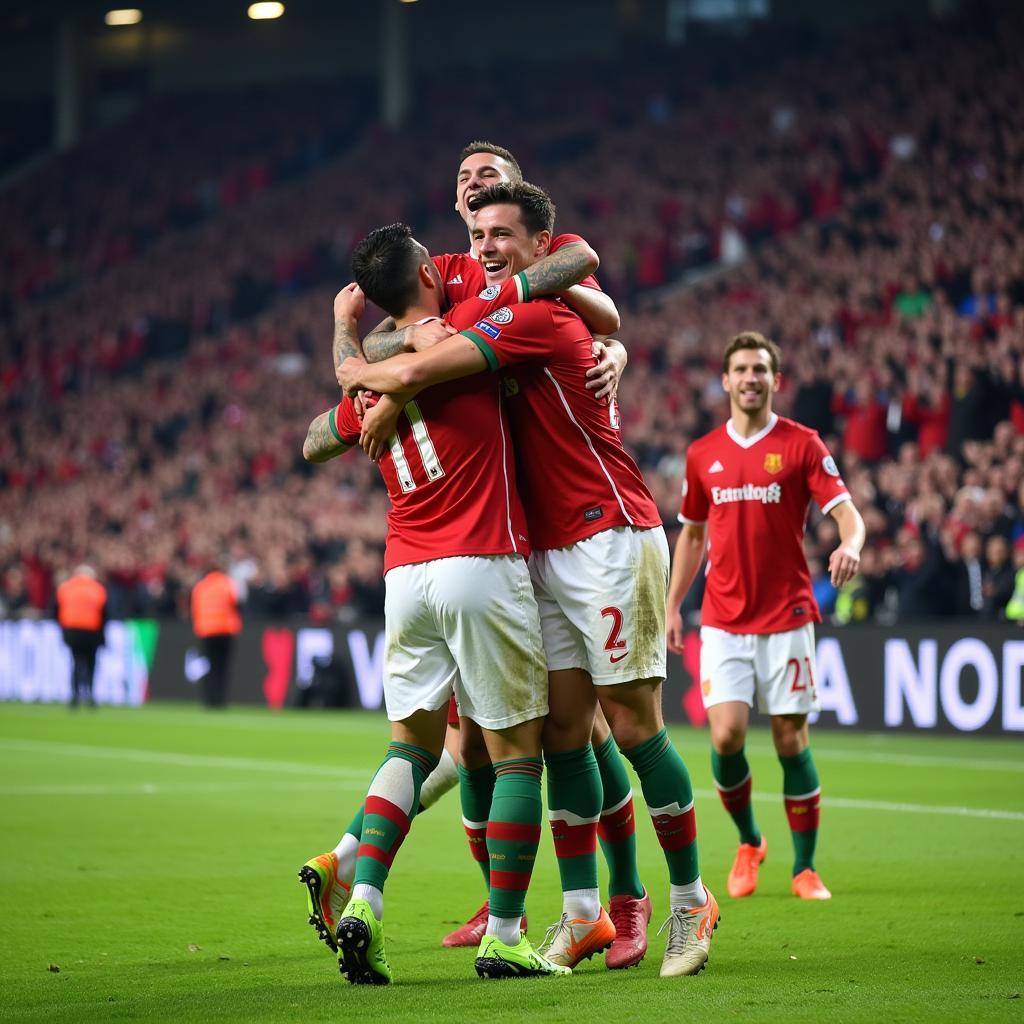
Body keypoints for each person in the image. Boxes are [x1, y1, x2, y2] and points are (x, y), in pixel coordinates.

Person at [339, 182, 718, 979]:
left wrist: (376, 386)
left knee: (636, 725)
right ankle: (582, 917)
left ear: (540, 244)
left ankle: (689, 902)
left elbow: (427, 354)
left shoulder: (536, 313)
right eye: (476, 231)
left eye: (504, 233)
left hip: (607, 534)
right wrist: (379, 366)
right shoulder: (476, 295)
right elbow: (407, 331)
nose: (485, 245)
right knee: (561, 733)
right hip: (534, 553)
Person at [302, 222, 596, 984]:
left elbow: (312, 441)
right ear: (431, 269)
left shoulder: (371, 367)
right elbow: (561, 273)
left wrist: (349, 338)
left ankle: (363, 896)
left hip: (404, 577)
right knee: (515, 756)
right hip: (479, 562)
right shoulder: (458, 336)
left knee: (411, 749)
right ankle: (504, 934)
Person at [666, 331, 866, 902]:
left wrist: (850, 544)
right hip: (725, 619)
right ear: (726, 381)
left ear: (775, 381)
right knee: (726, 736)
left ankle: (805, 868)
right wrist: (675, 603)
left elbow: (848, 514)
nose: (751, 379)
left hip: (787, 617)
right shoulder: (703, 453)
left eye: (760, 370)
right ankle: (751, 842)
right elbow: (694, 535)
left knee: (788, 737)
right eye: (741, 370)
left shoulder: (802, 444)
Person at [190, 560, 242, 708]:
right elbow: (237, 602)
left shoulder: (200, 586)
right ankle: (220, 700)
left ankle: (209, 699)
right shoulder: (227, 584)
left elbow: (195, 610)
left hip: (206, 631)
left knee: (210, 666)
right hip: (226, 630)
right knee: (222, 667)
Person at [56, 565, 107, 707]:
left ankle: (75, 695)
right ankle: (90, 694)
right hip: (92, 632)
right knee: (91, 664)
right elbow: (104, 615)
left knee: (76, 663)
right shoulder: (98, 589)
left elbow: (56, 610)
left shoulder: (66, 588)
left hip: (72, 632)